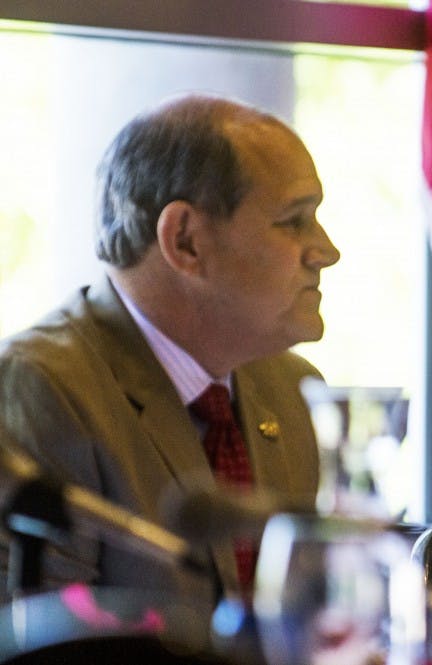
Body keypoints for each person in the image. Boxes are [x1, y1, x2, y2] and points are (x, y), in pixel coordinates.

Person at [0, 94, 340, 607]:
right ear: (185, 241)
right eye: (295, 220)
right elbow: (53, 646)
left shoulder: (295, 390)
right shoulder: (41, 386)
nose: (327, 251)